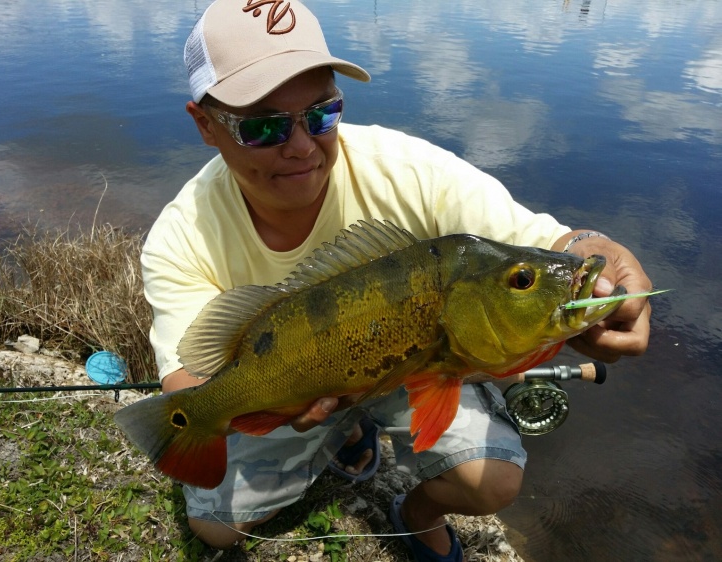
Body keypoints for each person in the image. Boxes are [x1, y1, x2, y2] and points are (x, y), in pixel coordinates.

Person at [141, 1, 652, 560]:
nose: (303, 146)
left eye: (321, 114)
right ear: (205, 124)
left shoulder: (407, 167)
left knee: (492, 480)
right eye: (262, 126)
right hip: (285, 385)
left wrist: (592, 250)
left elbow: (551, 243)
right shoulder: (181, 235)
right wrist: (263, 407)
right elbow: (188, 386)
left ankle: (413, 513)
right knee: (215, 527)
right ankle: (343, 430)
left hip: (422, 363)